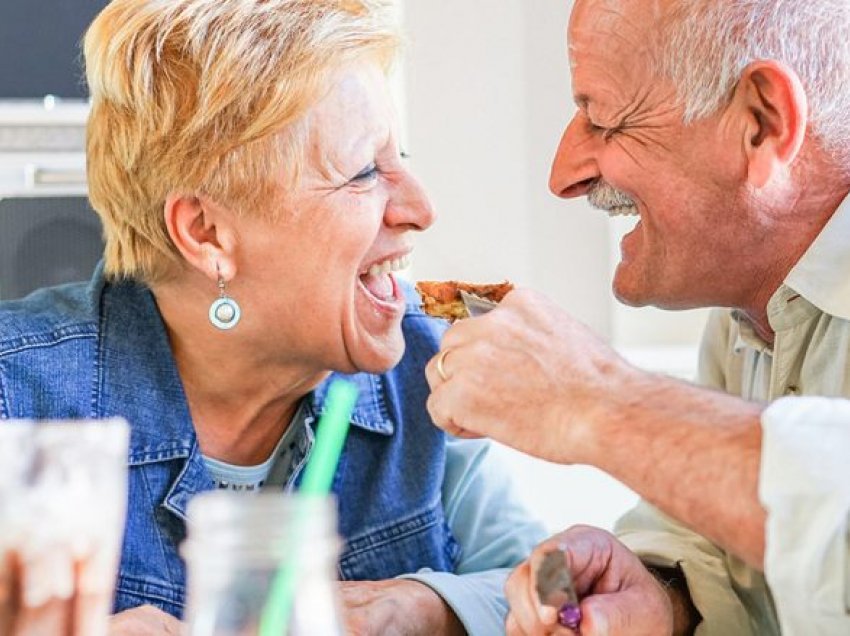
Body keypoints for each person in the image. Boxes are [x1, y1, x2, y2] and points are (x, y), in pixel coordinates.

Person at [0, 0, 545, 634]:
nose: (420, 208)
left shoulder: (430, 374)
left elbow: (555, 592)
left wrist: (424, 608)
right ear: (206, 232)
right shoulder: (15, 403)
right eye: (365, 171)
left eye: (403, 158)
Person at [424, 0, 850, 634]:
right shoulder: (748, 314)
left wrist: (592, 396)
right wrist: (660, 599)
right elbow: (739, 565)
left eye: (605, 122)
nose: (562, 176)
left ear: (762, 123)